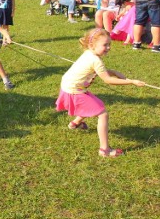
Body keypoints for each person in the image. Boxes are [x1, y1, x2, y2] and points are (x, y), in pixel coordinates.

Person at [56, 28, 145, 158]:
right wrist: (131, 82)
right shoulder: (95, 60)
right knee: (102, 113)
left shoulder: (89, 53)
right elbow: (107, 80)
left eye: (109, 44)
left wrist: (114, 71)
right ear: (92, 45)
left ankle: (75, 123)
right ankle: (105, 150)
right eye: (105, 45)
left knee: (95, 104)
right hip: (74, 90)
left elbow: (101, 71)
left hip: (71, 86)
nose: (108, 47)